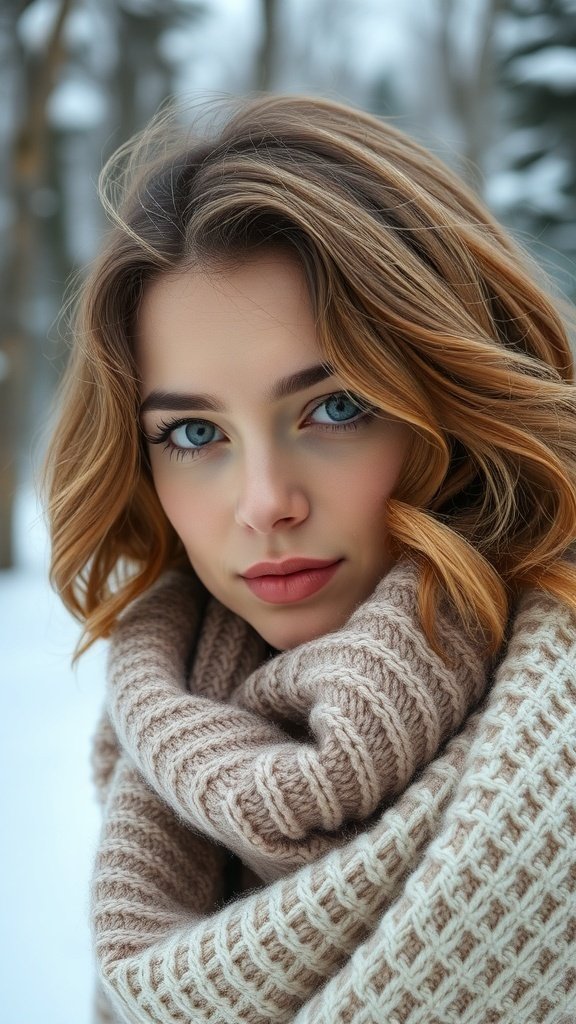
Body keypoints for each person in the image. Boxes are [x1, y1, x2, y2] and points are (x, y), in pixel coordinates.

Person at [44, 95, 576, 1023]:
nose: (263, 504)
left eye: (336, 408)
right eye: (195, 431)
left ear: (449, 397)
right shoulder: (160, 763)